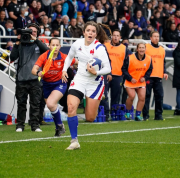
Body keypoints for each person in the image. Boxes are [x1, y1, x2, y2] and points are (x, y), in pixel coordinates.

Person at [62, 21, 111, 150]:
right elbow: (69, 57)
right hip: (79, 79)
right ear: (84, 32)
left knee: (90, 117)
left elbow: (108, 68)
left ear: (96, 34)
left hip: (95, 83)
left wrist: (97, 72)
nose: (90, 33)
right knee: (71, 107)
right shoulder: (77, 44)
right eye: (88, 30)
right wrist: (64, 70)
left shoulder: (99, 48)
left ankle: (94, 101)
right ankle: (74, 141)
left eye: (93, 31)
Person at [32, 38, 77, 136]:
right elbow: (34, 69)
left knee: (50, 103)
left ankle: (59, 126)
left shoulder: (64, 57)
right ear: (49, 46)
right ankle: (59, 127)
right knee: (51, 106)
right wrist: (38, 72)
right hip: (47, 84)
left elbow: (76, 62)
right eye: (53, 45)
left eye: (57, 45)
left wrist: (81, 67)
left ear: (60, 46)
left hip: (60, 83)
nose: (55, 47)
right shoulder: (44, 56)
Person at [10, 23, 49, 132]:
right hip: (21, 79)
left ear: (37, 34)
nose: (31, 34)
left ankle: (35, 125)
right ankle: (20, 125)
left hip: (35, 79)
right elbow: (12, 57)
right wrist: (17, 43)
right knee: (21, 103)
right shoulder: (20, 44)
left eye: (34, 32)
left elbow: (47, 51)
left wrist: (35, 40)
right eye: (29, 31)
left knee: (35, 103)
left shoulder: (38, 44)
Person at [122, 43, 153, 121]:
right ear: (137, 49)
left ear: (145, 49)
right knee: (132, 96)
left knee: (142, 97)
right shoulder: (130, 58)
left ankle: (138, 115)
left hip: (140, 81)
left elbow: (150, 69)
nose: (142, 49)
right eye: (140, 48)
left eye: (143, 48)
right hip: (130, 81)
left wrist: (145, 78)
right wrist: (130, 78)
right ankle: (128, 113)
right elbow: (123, 69)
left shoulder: (149, 59)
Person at [102, 29, 128, 121]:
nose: (116, 37)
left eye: (117, 35)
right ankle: (105, 114)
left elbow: (128, 61)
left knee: (115, 97)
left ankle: (114, 114)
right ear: (111, 36)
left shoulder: (124, 48)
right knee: (104, 95)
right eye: (114, 35)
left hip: (118, 75)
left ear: (120, 38)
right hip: (106, 74)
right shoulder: (105, 46)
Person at [142, 31, 168, 121]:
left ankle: (158, 115)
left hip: (158, 76)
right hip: (148, 76)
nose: (157, 38)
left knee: (159, 96)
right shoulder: (147, 48)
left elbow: (163, 62)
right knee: (147, 96)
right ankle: (145, 115)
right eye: (155, 36)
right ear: (151, 38)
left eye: (158, 36)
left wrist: (165, 72)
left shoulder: (162, 49)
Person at [172, 41, 180, 115]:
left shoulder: (176, 52)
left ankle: (178, 108)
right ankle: (178, 109)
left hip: (178, 75)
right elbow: (178, 63)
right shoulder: (177, 52)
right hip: (178, 76)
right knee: (179, 92)